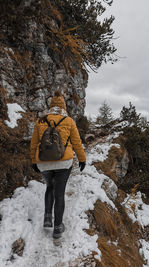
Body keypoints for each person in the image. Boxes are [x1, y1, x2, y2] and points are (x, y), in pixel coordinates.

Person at [30, 91, 86, 239]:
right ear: (63, 107)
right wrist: (82, 159)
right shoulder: (68, 121)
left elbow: (34, 144)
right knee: (59, 193)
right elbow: (76, 143)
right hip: (64, 162)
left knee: (49, 187)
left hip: (44, 162)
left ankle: (48, 217)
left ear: (51, 106)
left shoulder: (40, 121)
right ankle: (57, 228)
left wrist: (33, 161)